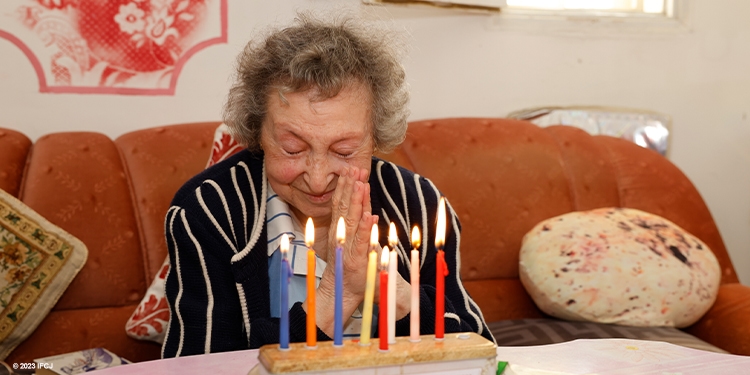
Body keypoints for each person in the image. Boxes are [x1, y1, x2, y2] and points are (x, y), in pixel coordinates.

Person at [161, 12, 494, 358]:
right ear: (258, 133)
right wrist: (338, 293)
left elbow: (478, 353)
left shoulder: (416, 203)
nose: (318, 179)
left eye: (345, 151)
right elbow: (201, 363)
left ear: (375, 139)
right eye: (292, 148)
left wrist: (395, 292)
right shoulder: (208, 211)